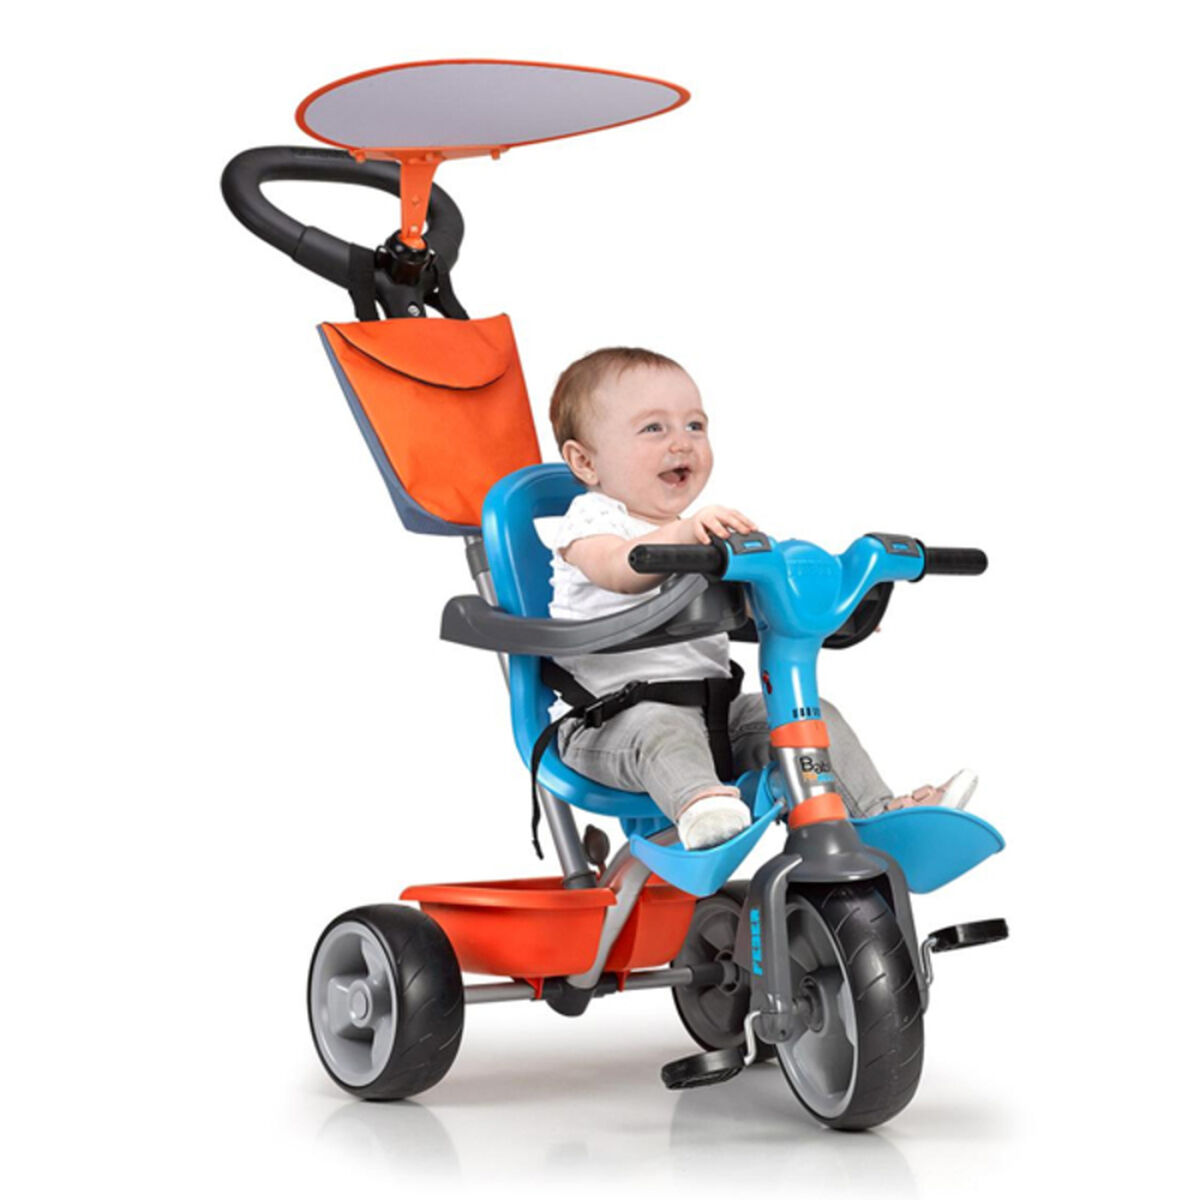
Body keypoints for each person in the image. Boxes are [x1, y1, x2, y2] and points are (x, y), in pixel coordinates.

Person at [547, 347, 976, 850]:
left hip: (715, 719)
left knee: (812, 716)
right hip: (610, 727)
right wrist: (686, 534)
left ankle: (881, 818)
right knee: (661, 728)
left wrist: (835, 607)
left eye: (695, 426)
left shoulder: (704, 536)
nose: (681, 443)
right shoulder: (594, 519)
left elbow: (760, 600)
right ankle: (701, 809)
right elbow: (618, 568)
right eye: (653, 428)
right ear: (585, 461)